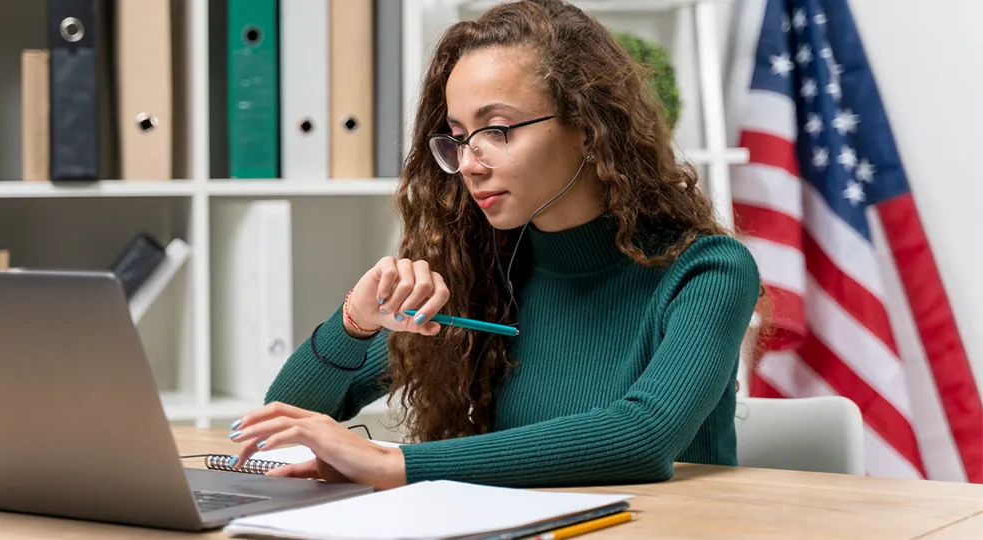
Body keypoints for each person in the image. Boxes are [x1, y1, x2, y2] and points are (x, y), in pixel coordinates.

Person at [226, 0, 764, 491]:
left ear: (588, 126)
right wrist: (354, 323)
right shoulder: (477, 271)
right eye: (457, 136)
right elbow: (282, 419)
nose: (469, 163)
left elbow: (644, 437)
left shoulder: (707, 271)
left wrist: (398, 465)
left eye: (498, 130)